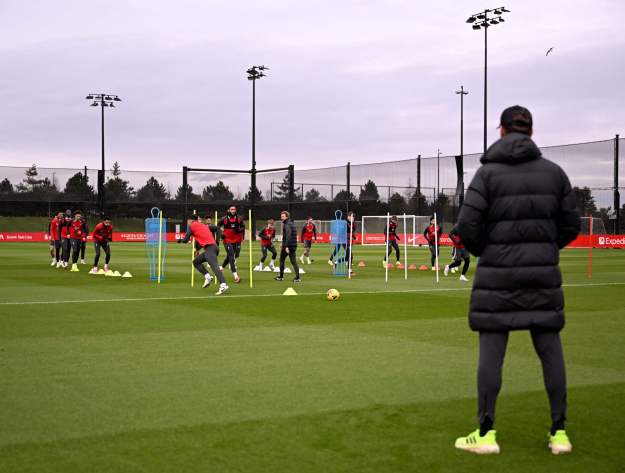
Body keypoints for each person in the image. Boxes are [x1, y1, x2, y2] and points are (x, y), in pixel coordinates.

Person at [454, 106, 580, 455]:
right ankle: (559, 433)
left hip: (497, 275)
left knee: (491, 354)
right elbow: (571, 226)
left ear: (501, 131)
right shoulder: (554, 173)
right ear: (531, 132)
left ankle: (486, 434)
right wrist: (544, 248)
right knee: (550, 349)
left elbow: (466, 227)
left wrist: (488, 251)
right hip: (541, 275)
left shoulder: (487, 175)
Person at [178, 215, 229, 295]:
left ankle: (223, 285)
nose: (187, 222)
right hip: (212, 248)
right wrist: (218, 239)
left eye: (188, 221)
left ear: (191, 220)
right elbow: (217, 228)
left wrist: (180, 240)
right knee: (196, 262)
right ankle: (208, 277)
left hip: (210, 248)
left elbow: (185, 240)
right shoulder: (203, 225)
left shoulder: (192, 226)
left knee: (214, 266)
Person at [219, 205, 245, 283]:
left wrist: (239, 230)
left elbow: (243, 227)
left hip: (236, 240)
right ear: (229, 210)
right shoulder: (224, 219)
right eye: (232, 209)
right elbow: (217, 226)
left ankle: (221, 267)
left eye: (234, 209)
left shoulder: (239, 218)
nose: (233, 210)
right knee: (231, 256)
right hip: (227, 240)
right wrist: (221, 233)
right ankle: (236, 276)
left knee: (233, 255)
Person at [274, 211, 301, 282]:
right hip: (293, 245)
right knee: (293, 261)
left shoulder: (287, 224)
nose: (281, 217)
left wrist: (286, 246)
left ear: (287, 217)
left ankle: (281, 276)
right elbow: (287, 236)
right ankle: (298, 278)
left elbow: (288, 235)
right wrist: (282, 243)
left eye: (283, 216)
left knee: (282, 259)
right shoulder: (290, 223)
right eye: (281, 216)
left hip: (288, 246)